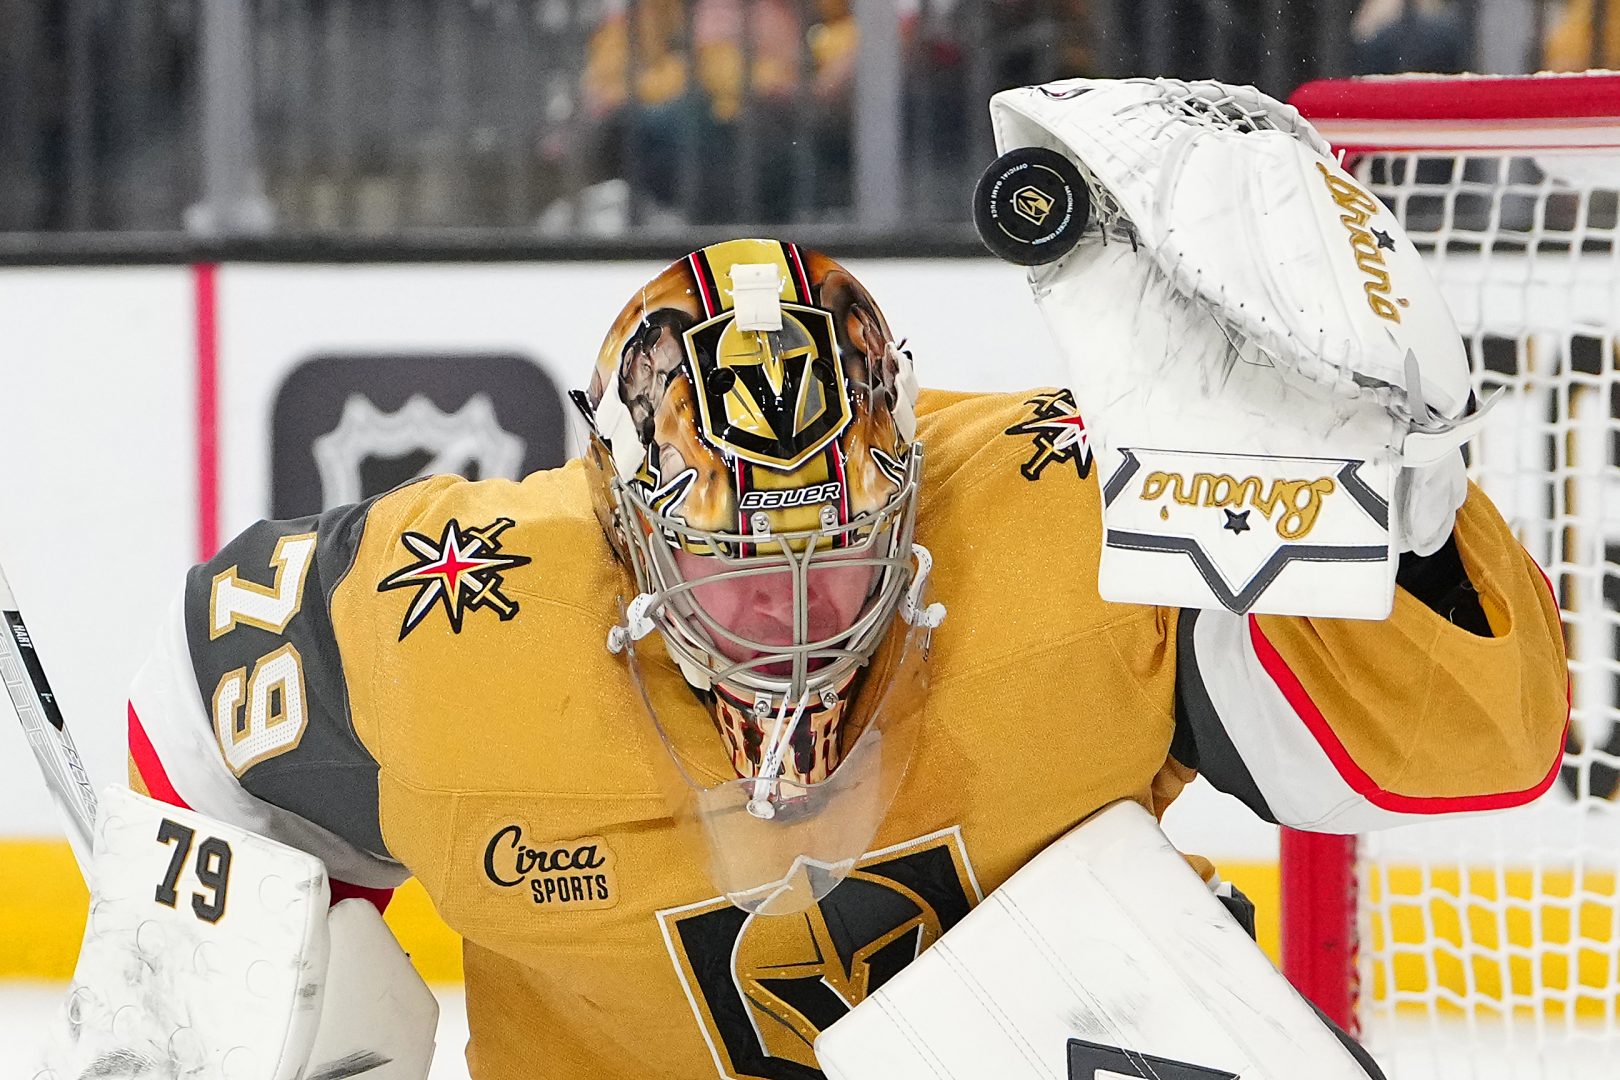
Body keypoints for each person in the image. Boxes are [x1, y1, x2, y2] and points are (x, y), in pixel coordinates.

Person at [90, 236, 1563, 1079]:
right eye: (740, 579)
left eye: (838, 561)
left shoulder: (1085, 511)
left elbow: (1452, 746)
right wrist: (235, 982)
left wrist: (1394, 501)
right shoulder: (450, 620)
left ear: (909, 489)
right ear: (627, 537)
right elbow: (196, 708)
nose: (799, 623)